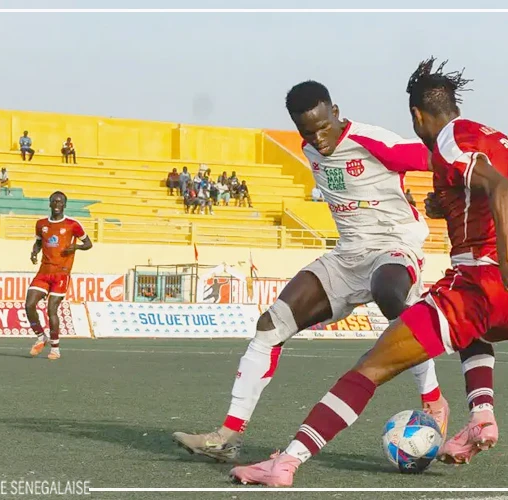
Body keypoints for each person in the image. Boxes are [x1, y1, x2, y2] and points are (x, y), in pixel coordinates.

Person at [227, 58, 508, 487]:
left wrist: (507, 259)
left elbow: (500, 189)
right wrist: (447, 206)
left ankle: (285, 463)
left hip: (484, 280)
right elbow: (490, 192)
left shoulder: (448, 141)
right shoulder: (500, 139)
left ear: (418, 116)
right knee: (473, 331)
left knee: (369, 369)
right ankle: (482, 416)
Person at [172, 80, 450, 463]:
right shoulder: (309, 149)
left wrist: (445, 200)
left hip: (394, 246)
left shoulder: (373, 141)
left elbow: (440, 159)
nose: (318, 139)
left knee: (390, 297)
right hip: (347, 256)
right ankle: (228, 436)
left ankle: (434, 401)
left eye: (323, 127)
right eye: (307, 132)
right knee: (270, 326)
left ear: (336, 112)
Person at [26, 192, 92, 360]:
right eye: (54, 201)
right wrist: (34, 252)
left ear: (64, 205)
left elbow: (88, 243)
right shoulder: (41, 224)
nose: (57, 204)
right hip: (43, 272)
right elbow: (39, 242)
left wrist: (75, 248)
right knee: (29, 304)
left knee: (51, 309)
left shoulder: (72, 225)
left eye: (60, 201)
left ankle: (55, 348)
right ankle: (41, 336)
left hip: (61, 273)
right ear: (49, 203)